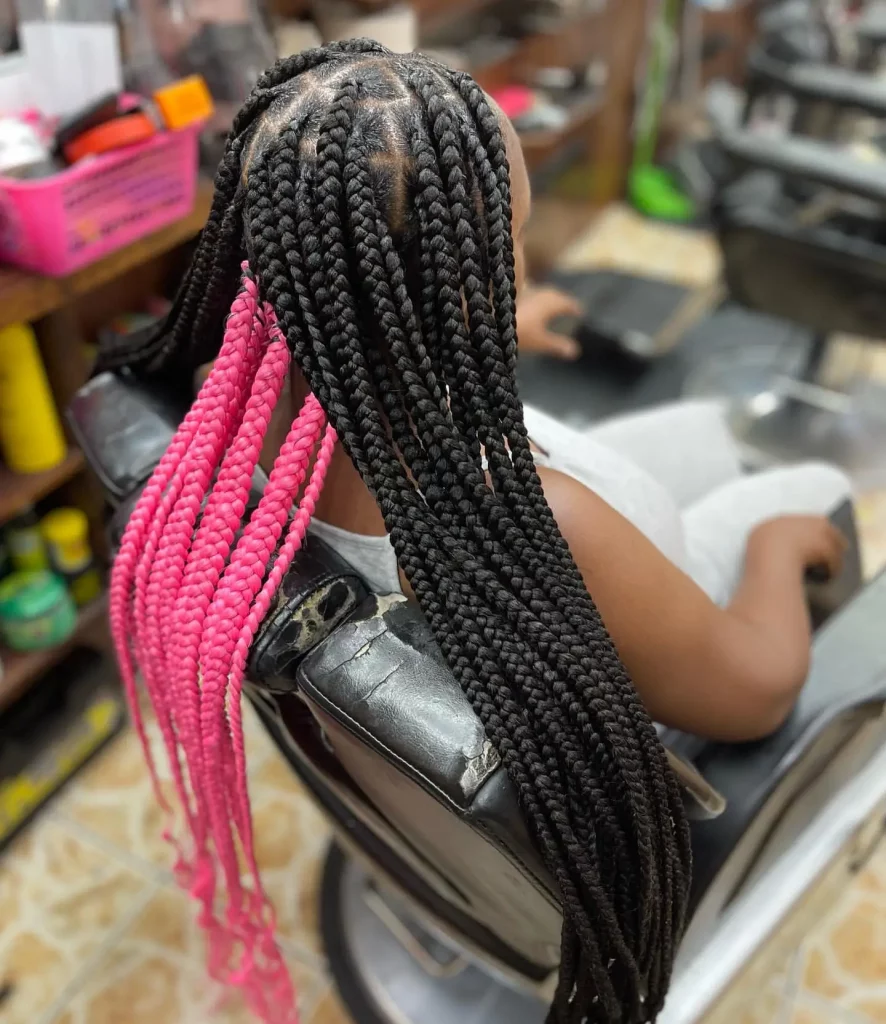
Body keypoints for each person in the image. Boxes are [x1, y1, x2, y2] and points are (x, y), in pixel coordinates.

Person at [96, 41, 846, 1024]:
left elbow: (376, 344)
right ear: (457, 284)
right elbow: (753, 692)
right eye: (507, 246)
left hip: (525, 559)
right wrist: (781, 549)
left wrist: (493, 321)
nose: (517, 266)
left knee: (701, 438)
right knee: (810, 485)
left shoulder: (226, 412)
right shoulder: (550, 527)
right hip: (636, 620)